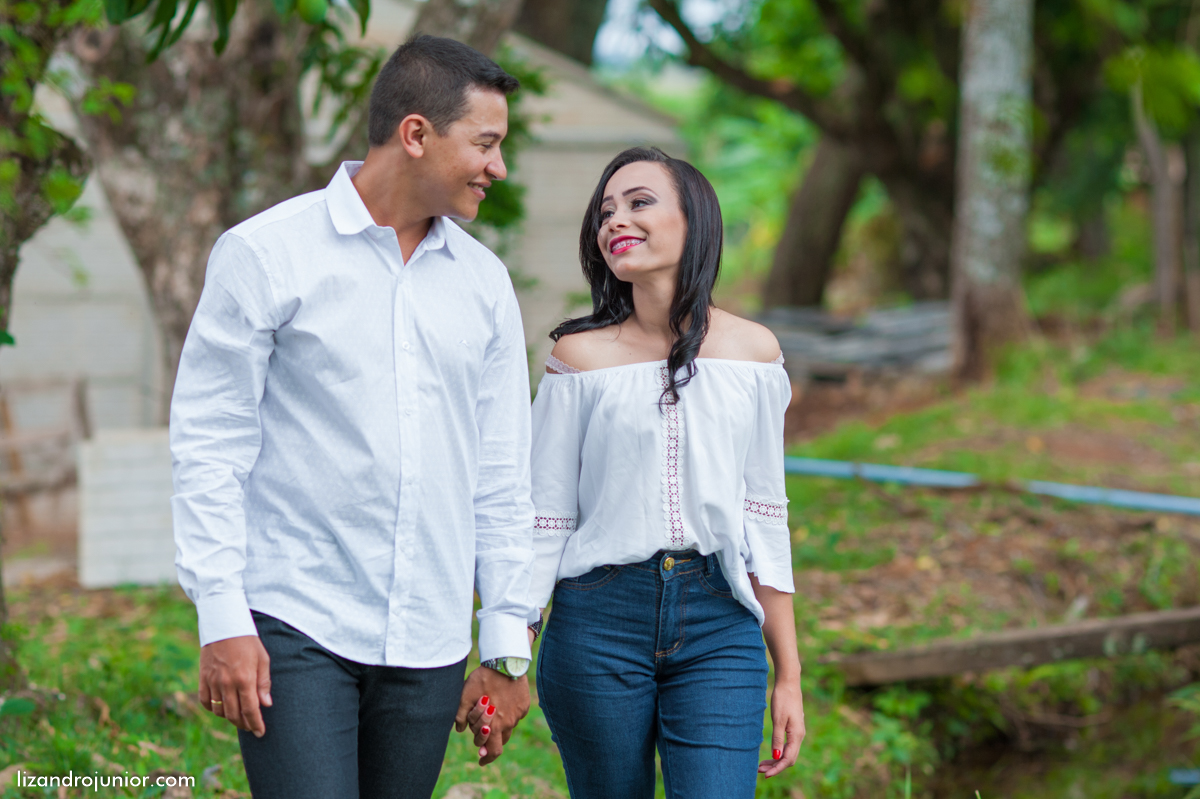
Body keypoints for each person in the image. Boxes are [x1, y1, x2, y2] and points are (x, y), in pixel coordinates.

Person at [170, 35, 538, 799]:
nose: (498, 167)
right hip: (295, 620)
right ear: (415, 134)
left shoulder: (484, 285)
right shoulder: (266, 254)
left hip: (429, 638)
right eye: (486, 143)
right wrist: (220, 614)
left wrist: (506, 647)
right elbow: (211, 444)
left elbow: (502, 473)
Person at [467, 146, 804, 798]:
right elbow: (545, 517)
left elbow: (765, 513)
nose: (616, 218)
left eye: (640, 201)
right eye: (605, 211)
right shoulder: (579, 358)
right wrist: (508, 656)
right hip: (598, 622)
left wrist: (787, 672)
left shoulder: (755, 354)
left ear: (694, 219)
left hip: (720, 622)